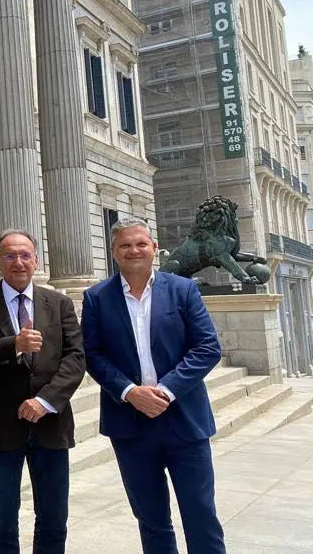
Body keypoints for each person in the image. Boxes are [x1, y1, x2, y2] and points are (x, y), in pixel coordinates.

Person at [80, 218, 225, 554]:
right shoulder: (96, 298)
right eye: (125, 246)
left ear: (154, 248)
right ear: (114, 252)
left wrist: (166, 390)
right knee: (151, 519)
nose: (134, 250)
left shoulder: (182, 289)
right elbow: (92, 354)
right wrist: (131, 392)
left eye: (141, 243)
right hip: (130, 425)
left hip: (184, 421)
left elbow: (207, 348)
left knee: (201, 513)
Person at [0, 229, 85, 554]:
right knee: (1, 522)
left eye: (25, 255)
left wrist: (46, 401)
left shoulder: (58, 303)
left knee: (54, 520)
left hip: (50, 426)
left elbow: (75, 358)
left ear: (36, 260)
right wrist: (13, 344)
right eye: (10, 256)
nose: (18, 262)